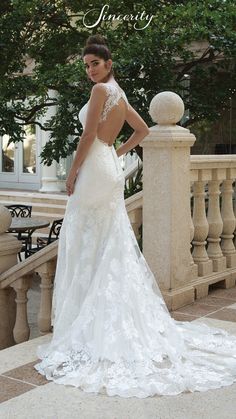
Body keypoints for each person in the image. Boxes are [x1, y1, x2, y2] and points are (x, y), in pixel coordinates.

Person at [34, 35, 236, 398]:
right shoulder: (120, 93)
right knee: (107, 240)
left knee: (85, 237)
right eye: (86, 65)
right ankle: (95, 316)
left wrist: (72, 172)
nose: (90, 70)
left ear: (108, 64)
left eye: (94, 63)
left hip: (95, 168)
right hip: (107, 166)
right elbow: (141, 132)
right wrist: (116, 153)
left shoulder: (100, 93)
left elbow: (87, 136)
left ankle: (85, 320)